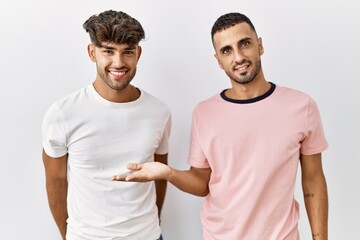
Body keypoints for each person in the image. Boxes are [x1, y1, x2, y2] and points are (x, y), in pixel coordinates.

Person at [113, 12, 329, 240]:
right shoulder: (205, 113)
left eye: (244, 44)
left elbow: (313, 178)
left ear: (260, 45)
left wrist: (320, 237)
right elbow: (202, 183)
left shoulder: (301, 106)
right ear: (218, 60)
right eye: (227, 50)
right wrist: (168, 173)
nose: (238, 57)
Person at [42, 10, 170, 240]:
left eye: (127, 52)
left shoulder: (159, 112)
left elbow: (159, 175)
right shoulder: (63, 114)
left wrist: (152, 225)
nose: (118, 63)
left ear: (138, 54)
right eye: (108, 51)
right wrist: (68, 235)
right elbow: (55, 181)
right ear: (92, 52)